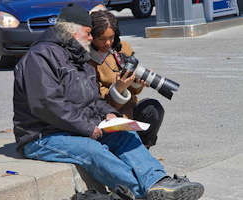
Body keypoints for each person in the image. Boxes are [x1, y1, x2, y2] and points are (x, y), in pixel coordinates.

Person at [13, 3, 204, 200]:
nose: (91, 38)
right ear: (71, 32)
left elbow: (93, 99)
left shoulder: (78, 58)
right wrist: (87, 127)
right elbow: (47, 104)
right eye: (88, 33)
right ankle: (141, 194)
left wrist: (108, 114)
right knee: (93, 150)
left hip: (72, 128)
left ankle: (158, 184)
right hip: (41, 135)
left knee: (125, 136)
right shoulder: (40, 57)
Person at [89, 10, 164, 149]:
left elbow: (135, 92)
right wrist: (118, 89)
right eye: (101, 39)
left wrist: (137, 82)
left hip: (129, 110)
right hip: (106, 116)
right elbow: (95, 100)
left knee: (153, 109)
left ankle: (144, 148)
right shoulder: (88, 61)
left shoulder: (122, 48)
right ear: (91, 37)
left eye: (111, 37)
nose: (107, 43)